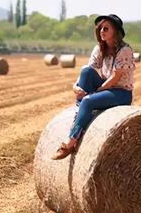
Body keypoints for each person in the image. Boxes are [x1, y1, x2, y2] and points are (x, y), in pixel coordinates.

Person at [51, 14, 135, 160]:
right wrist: (75, 86)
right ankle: (80, 115)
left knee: (88, 101)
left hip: (121, 93)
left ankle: (71, 141)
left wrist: (93, 94)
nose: (102, 31)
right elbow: (88, 71)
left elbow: (115, 79)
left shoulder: (124, 50)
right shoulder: (99, 48)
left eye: (106, 28)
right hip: (105, 87)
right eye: (100, 28)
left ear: (115, 31)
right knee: (86, 71)